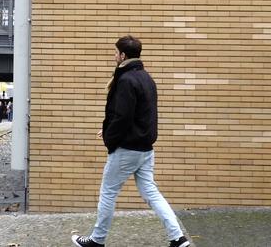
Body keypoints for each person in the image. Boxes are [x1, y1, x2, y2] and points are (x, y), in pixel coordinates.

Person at [72, 35, 189, 247]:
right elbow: (139, 116)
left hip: (127, 150)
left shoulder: (126, 80)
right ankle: (178, 238)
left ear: (123, 55)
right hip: (145, 149)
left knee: (108, 193)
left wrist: (110, 137)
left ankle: (97, 242)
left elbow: (123, 117)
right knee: (151, 193)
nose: (113, 56)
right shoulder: (147, 78)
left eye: (115, 53)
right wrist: (108, 129)